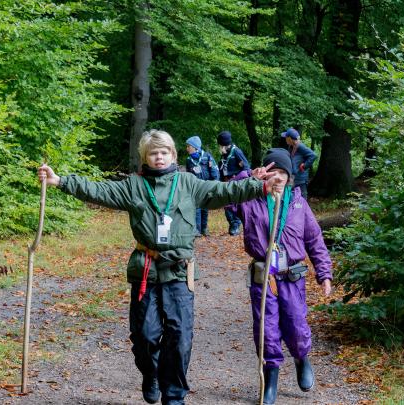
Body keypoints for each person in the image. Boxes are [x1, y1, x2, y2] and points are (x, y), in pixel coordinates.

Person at [37, 129, 281, 405]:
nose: (159, 157)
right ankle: (151, 374)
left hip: (179, 270)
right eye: (153, 153)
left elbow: (223, 191)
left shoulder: (188, 183)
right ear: (145, 157)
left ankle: (174, 396)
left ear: (173, 155)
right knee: (144, 335)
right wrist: (60, 181)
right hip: (146, 269)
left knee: (179, 336)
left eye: (164, 152)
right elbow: (99, 190)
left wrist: (259, 186)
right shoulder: (133, 186)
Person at [231, 148, 333, 404]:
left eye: (282, 173)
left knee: (296, 326)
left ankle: (301, 359)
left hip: (292, 278)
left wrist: (324, 273)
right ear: (265, 174)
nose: (277, 177)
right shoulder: (250, 198)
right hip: (264, 279)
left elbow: (314, 240)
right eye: (272, 172)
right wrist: (249, 177)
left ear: (290, 177)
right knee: (267, 331)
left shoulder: (298, 202)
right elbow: (224, 195)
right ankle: (270, 379)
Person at [184, 135, 219, 237]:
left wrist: (214, 183)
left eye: (188, 146)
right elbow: (188, 174)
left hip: (207, 185)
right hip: (195, 187)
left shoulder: (207, 156)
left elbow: (214, 170)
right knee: (196, 208)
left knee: (205, 208)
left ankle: (204, 228)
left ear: (195, 147)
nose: (187, 149)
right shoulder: (188, 160)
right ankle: (197, 230)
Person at [217, 130, 251, 235]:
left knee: (234, 204)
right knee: (226, 205)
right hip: (226, 182)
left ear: (223, 144)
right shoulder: (224, 154)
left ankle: (236, 225)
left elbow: (246, 167)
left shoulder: (236, 152)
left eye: (219, 144)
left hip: (235, 182)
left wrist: (239, 178)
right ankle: (232, 224)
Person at [281, 127, 317, 199]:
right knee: (289, 196)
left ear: (290, 139)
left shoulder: (300, 146)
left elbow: (313, 155)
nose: (285, 139)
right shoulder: (291, 147)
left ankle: (304, 210)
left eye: (286, 137)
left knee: (302, 198)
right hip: (293, 177)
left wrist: (304, 165)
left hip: (300, 178)